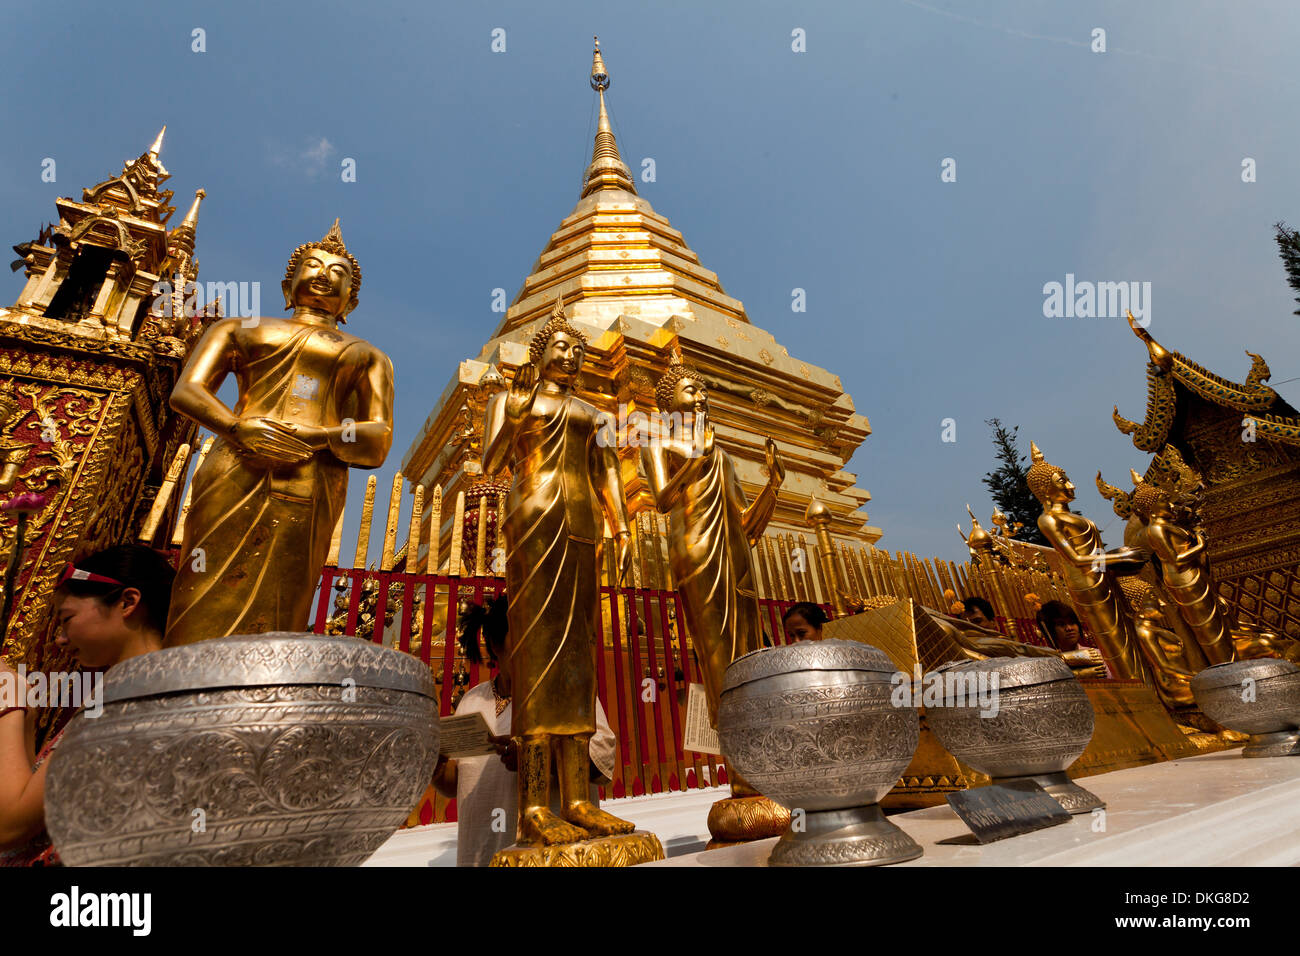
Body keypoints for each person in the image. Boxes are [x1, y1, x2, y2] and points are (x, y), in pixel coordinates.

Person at [0, 545, 174, 866]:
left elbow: (8, 826)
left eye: (67, 619)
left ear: (127, 602)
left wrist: (9, 704)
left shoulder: (128, 699)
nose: (61, 639)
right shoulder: (150, 686)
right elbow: (31, 802)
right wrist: (24, 715)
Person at [432, 594, 618, 867]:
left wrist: (537, 761)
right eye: (523, 636)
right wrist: (434, 767)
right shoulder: (472, 702)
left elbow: (602, 765)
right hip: (481, 856)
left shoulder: (568, 691)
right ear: (496, 644)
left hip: (551, 857)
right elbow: (456, 783)